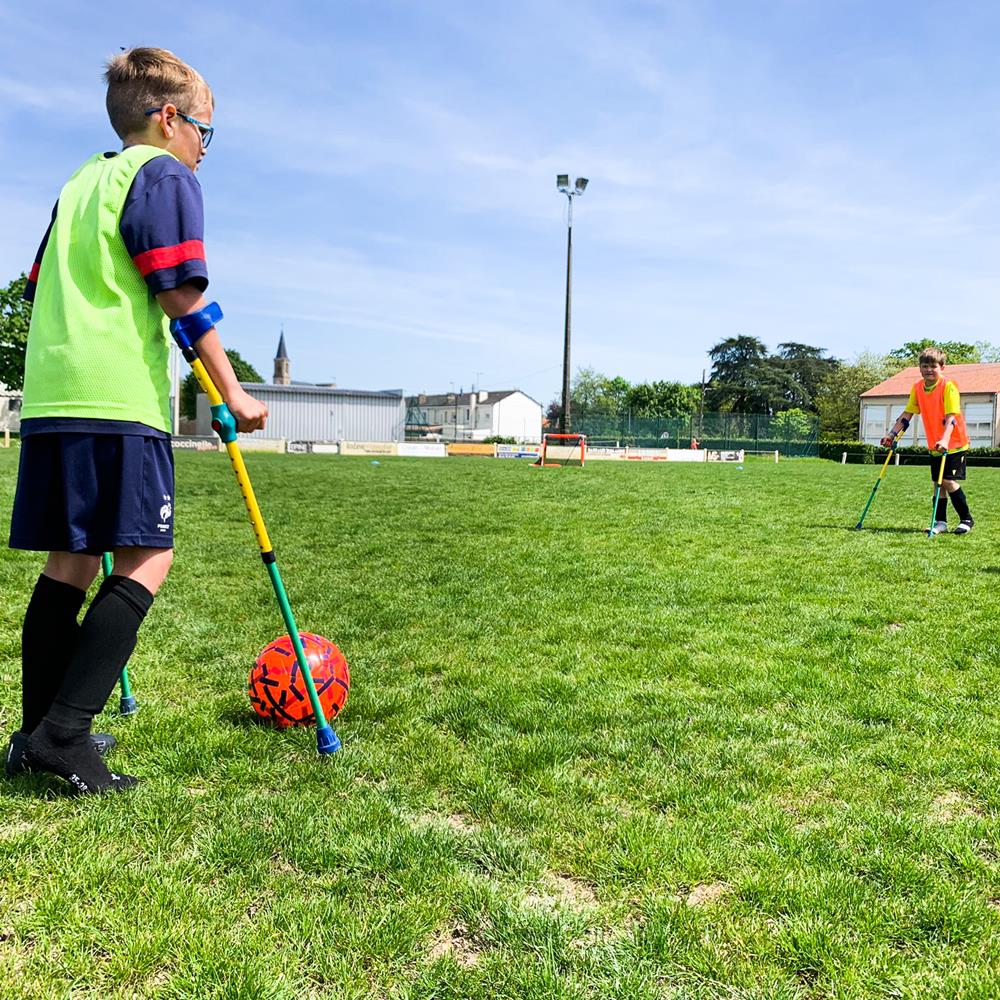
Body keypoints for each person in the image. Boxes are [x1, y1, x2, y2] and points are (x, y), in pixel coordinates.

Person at [5, 47, 267, 795]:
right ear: (169, 119)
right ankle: (65, 734)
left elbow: (40, 283)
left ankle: (34, 734)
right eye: (205, 132)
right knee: (147, 557)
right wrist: (233, 391)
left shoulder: (82, 181)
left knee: (71, 562)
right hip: (116, 400)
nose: (204, 149)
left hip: (54, 398)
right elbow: (181, 292)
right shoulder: (165, 175)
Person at [881, 347, 973, 535]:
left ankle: (966, 519)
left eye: (933, 366)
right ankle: (940, 522)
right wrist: (891, 434)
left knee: (947, 480)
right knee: (937, 484)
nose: (929, 370)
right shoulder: (917, 387)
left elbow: (951, 418)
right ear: (920, 368)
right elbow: (908, 413)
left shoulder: (948, 386)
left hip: (954, 443)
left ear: (942, 367)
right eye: (925, 366)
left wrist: (945, 440)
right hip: (934, 444)